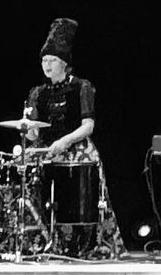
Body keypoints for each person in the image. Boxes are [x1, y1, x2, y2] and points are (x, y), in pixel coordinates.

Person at [20, 18, 125, 258]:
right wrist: (27, 129)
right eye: (44, 60)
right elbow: (34, 133)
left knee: (82, 195)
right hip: (48, 150)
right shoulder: (37, 93)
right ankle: (42, 241)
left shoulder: (81, 87)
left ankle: (86, 243)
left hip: (76, 149)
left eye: (52, 60)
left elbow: (88, 126)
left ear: (64, 63)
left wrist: (65, 141)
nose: (47, 65)